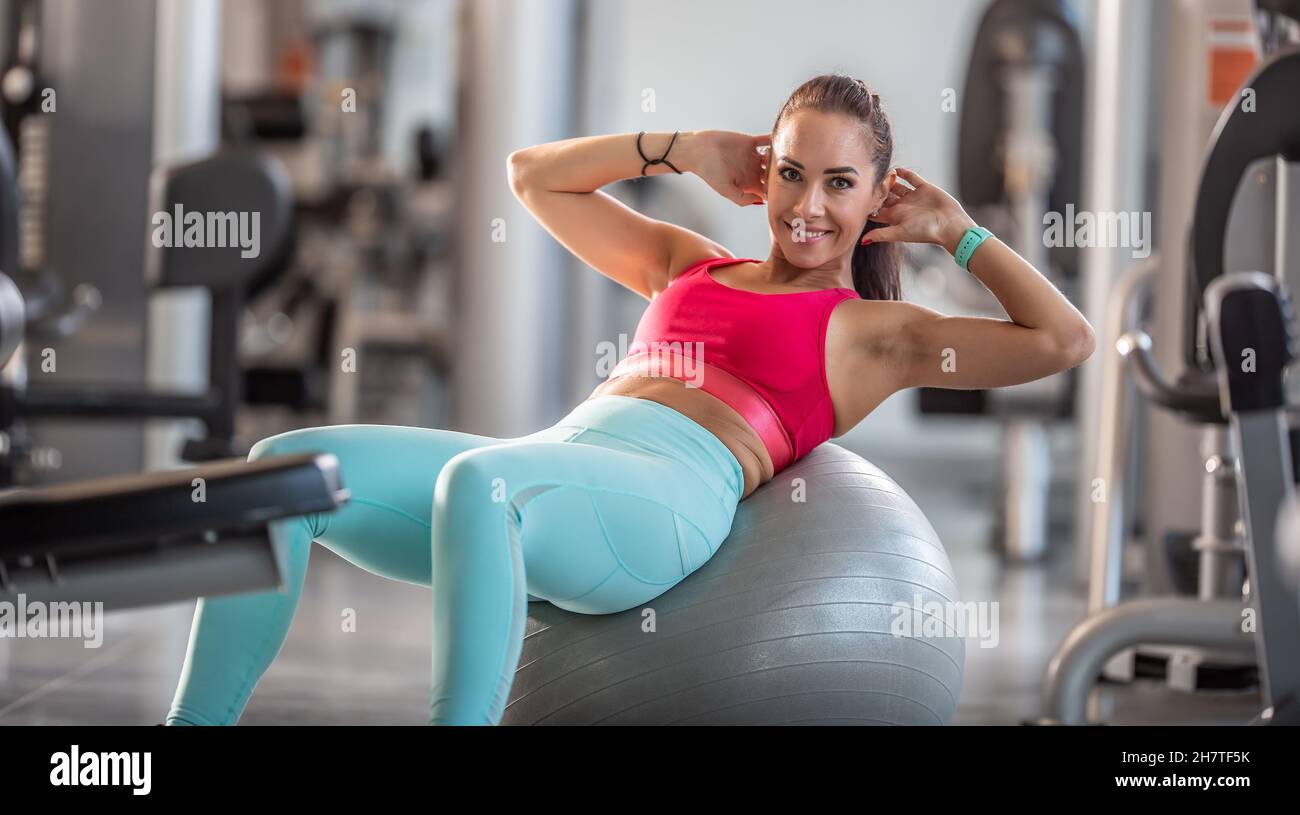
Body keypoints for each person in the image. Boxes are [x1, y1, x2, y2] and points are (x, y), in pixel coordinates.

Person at [165, 73, 1094, 726]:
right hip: (568, 461)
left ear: (873, 199)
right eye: (793, 172)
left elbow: (1063, 339)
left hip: (664, 505)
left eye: (840, 183)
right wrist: (678, 148)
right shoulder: (689, 264)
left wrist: (959, 232)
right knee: (282, 474)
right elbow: (531, 174)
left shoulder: (869, 333)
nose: (809, 203)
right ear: (764, 170)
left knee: (484, 486)